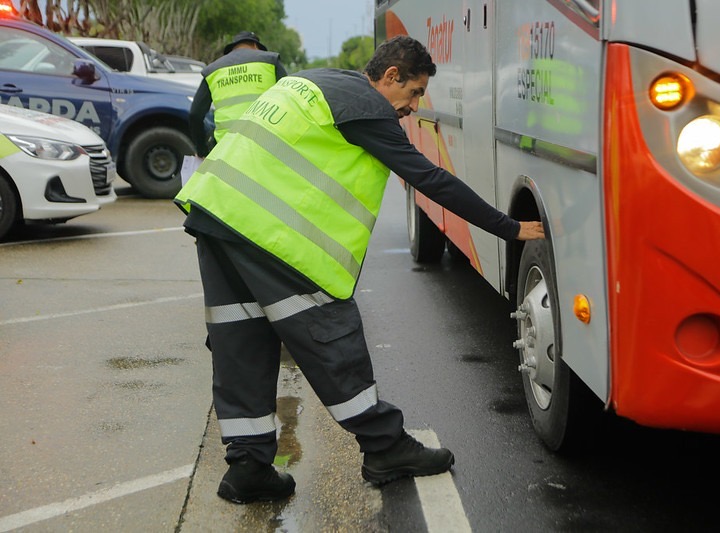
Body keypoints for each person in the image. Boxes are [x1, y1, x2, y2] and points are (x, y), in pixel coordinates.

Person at [175, 35, 545, 504]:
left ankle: (248, 467)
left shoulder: (314, 81)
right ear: (391, 77)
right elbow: (430, 178)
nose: (412, 107)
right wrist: (509, 228)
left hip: (216, 214)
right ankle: (386, 447)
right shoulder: (367, 108)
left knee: (241, 342)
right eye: (413, 93)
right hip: (268, 232)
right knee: (330, 334)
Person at [188, 30, 287, 157]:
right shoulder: (270, 61)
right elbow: (289, 101)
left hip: (226, 147)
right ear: (256, 46)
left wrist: (202, 150)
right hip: (266, 144)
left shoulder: (213, 70)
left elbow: (195, 114)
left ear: (232, 50)